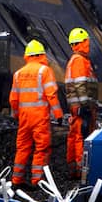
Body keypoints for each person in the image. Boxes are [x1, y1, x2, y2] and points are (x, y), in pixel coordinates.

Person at [8, 39, 63, 188]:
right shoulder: (44, 71)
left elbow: (13, 98)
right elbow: (51, 95)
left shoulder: (18, 74)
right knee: (41, 148)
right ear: (41, 55)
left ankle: (16, 181)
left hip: (24, 118)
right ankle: (37, 181)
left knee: (23, 147)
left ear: (27, 56)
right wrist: (58, 115)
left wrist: (15, 115)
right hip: (40, 118)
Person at [64, 27, 98, 181]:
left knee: (75, 137)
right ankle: (80, 171)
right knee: (81, 138)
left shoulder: (77, 60)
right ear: (82, 42)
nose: (89, 45)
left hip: (77, 108)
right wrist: (85, 105)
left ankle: (74, 170)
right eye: (87, 42)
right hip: (82, 108)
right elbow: (80, 85)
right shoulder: (79, 61)